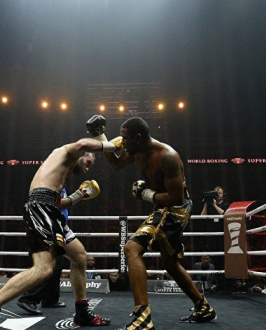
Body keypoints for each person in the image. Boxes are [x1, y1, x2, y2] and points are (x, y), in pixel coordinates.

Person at [0, 136, 117, 330]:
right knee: (44, 268)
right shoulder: (67, 151)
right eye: (88, 162)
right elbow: (82, 144)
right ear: (82, 155)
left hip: (51, 209)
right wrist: (110, 146)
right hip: (41, 207)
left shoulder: (61, 170)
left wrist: (80, 195)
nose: (87, 168)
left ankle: (82, 313)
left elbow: (60, 203)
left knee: (79, 257)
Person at [88, 115, 217, 328]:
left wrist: (145, 194)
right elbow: (116, 164)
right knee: (171, 263)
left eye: (125, 138)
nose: (122, 142)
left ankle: (143, 318)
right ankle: (203, 307)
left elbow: (176, 198)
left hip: (176, 209)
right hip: (162, 206)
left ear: (138, 138)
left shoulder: (167, 156)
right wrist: (99, 134)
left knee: (131, 249)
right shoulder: (137, 150)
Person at [16, 189, 71, 315]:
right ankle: (28, 298)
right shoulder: (53, 184)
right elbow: (56, 204)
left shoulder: (61, 185)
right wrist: (79, 196)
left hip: (57, 226)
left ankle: (50, 299)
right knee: (51, 266)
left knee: (59, 264)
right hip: (48, 225)